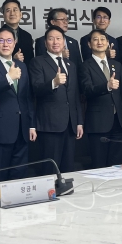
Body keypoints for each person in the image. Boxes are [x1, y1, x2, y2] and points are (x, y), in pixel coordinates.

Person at [0, 26, 36, 182]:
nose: (5, 44)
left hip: (22, 130)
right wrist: (8, 78)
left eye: (9, 40)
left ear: (15, 43)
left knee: (19, 177)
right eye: (1, 40)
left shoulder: (21, 66)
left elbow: (26, 97)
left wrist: (31, 124)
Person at [29, 26, 83, 174]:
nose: (55, 42)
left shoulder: (71, 65)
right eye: (51, 39)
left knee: (68, 169)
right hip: (50, 124)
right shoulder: (37, 62)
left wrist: (79, 121)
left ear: (64, 42)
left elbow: (75, 95)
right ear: (45, 43)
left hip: (70, 125)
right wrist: (54, 83)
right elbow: (36, 89)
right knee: (50, 169)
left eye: (58, 39)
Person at [80, 29, 122, 169]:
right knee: (99, 164)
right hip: (98, 122)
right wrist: (107, 86)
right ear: (89, 44)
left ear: (108, 43)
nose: (99, 42)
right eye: (95, 39)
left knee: (117, 163)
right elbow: (86, 90)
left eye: (103, 39)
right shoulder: (85, 66)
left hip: (118, 122)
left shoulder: (116, 65)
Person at [0, 0, 34, 64]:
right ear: (3, 15)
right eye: (8, 10)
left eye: (15, 10)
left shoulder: (27, 36)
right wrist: (11, 60)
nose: (12, 13)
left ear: (21, 14)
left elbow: (31, 61)